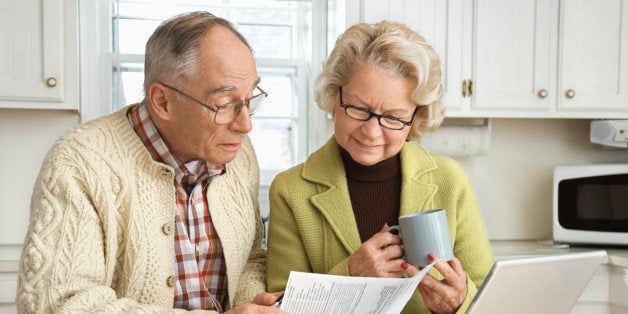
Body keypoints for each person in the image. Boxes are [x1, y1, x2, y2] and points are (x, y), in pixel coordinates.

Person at [16, 11, 283, 313]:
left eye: (250, 98)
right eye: (224, 105)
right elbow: (56, 304)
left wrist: (252, 302)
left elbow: (248, 258)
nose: (245, 124)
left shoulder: (239, 153)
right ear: (162, 101)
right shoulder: (79, 161)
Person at [266, 21, 494, 313]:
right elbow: (277, 306)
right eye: (359, 109)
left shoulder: (450, 181)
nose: (371, 133)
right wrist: (350, 274)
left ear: (417, 117)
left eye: (394, 117)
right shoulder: (291, 190)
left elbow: (489, 299)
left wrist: (459, 303)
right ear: (335, 96)